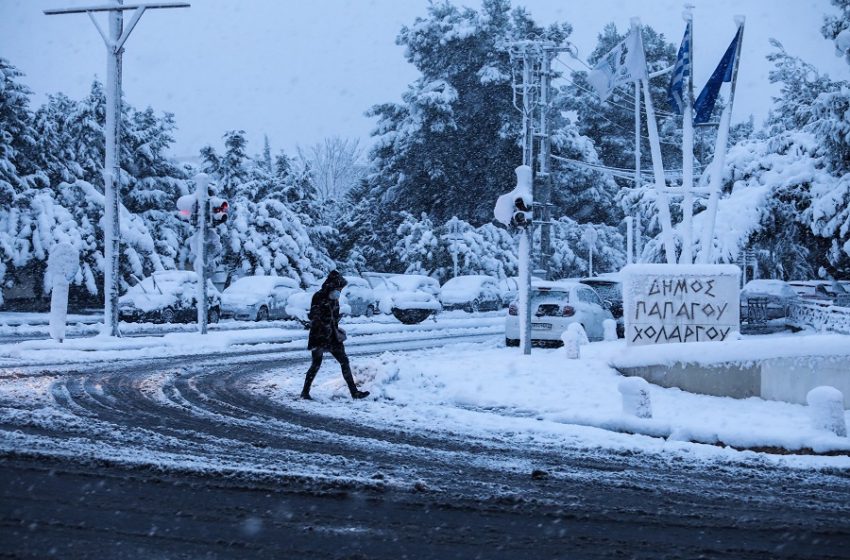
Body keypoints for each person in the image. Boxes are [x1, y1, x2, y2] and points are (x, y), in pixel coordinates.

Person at [301, 270, 370, 400]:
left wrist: (336, 321)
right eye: (338, 288)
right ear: (332, 286)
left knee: (344, 361)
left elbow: (333, 317)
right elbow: (315, 316)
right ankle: (305, 392)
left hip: (333, 336)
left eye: (341, 289)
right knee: (316, 364)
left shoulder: (335, 299)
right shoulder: (318, 296)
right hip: (319, 336)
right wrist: (324, 319)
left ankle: (354, 392)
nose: (340, 291)